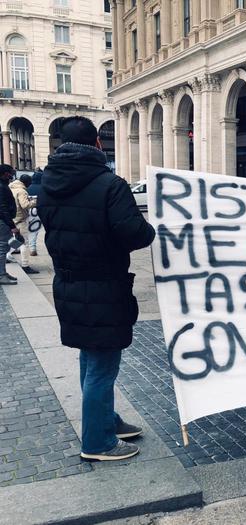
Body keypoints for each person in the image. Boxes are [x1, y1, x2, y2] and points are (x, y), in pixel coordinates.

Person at [38, 116, 156, 461]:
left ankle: (106, 420)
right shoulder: (110, 184)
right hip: (105, 285)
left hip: (67, 283)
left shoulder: (47, 184)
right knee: (103, 364)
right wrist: (149, 228)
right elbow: (134, 233)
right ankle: (98, 442)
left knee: (90, 357)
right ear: (98, 145)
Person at [8, 174, 39, 274]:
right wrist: (35, 202)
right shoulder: (21, 191)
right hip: (20, 219)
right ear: (26, 183)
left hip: (12, 218)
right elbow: (25, 205)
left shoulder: (11, 187)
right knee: (24, 243)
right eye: (29, 183)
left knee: (15, 239)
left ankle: (8, 255)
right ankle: (25, 265)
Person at [0, 165, 19, 286]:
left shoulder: (3, 185)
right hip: (2, 221)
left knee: (4, 247)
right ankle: (1, 275)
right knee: (2, 248)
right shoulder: (1, 187)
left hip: (3, 220)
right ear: (5, 174)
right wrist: (11, 225)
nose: (12, 175)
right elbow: (2, 208)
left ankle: (3, 272)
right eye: (10, 173)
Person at [26, 168, 43, 257]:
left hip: (27, 211)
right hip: (38, 212)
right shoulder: (43, 188)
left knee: (24, 232)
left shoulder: (27, 188)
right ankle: (32, 248)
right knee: (34, 231)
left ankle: (14, 249)